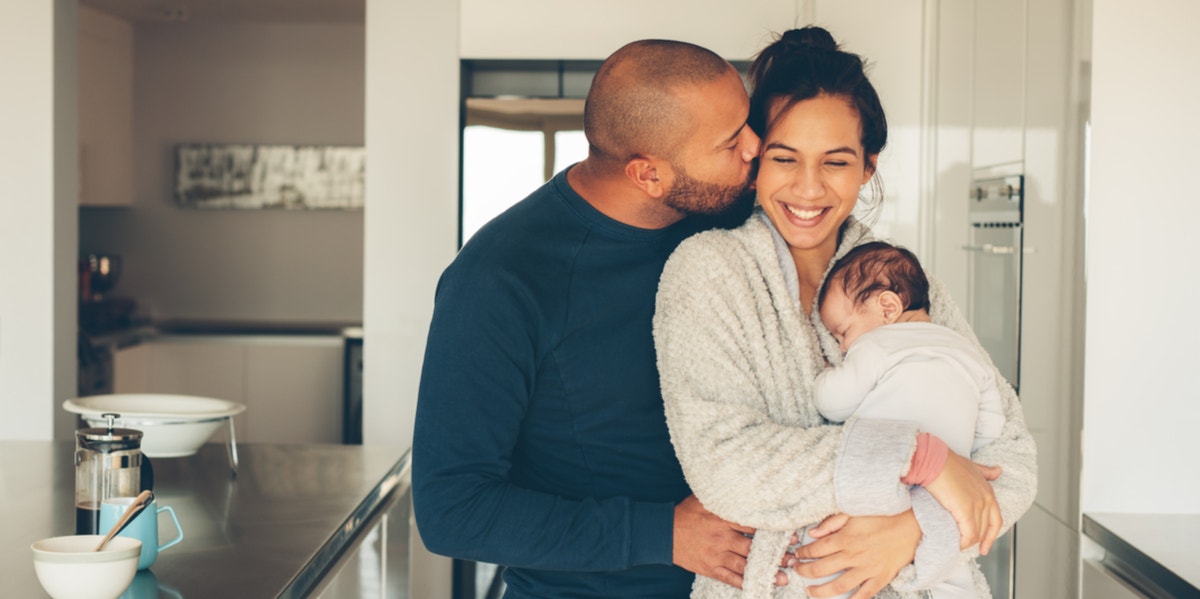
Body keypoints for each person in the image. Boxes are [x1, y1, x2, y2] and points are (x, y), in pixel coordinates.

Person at [653, 26, 1037, 599]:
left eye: (835, 162)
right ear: (755, 160)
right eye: (785, 158)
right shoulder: (707, 271)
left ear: (868, 166)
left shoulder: (901, 284)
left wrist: (914, 529)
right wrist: (924, 461)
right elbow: (726, 466)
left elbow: (1012, 459)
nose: (808, 188)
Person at [412, 39, 766, 599]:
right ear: (648, 174)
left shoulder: (726, 216)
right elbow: (451, 510)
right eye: (730, 141)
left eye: (748, 122)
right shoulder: (499, 279)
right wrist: (663, 534)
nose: (755, 146)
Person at [799, 241, 1008, 598]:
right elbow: (993, 426)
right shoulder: (968, 352)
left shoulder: (877, 345)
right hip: (943, 491)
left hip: (887, 472)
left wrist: (824, 376)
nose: (843, 347)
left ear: (888, 306)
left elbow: (834, 403)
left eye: (843, 332)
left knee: (822, 540)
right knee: (950, 569)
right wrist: (974, 463)